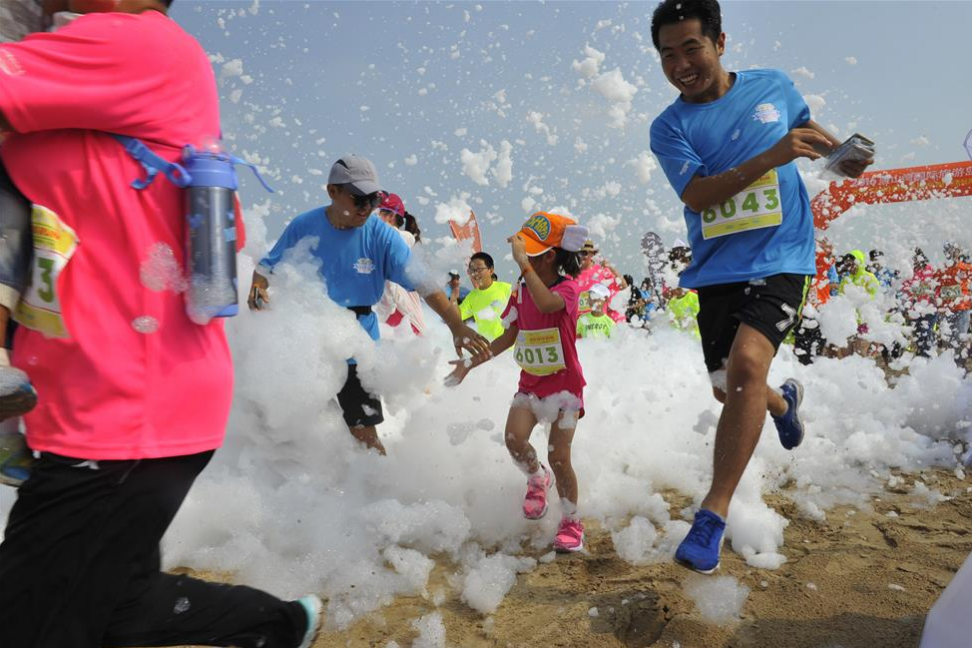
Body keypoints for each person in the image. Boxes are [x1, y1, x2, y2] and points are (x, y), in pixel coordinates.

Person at [0, 1, 325, 646]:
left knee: (27, 620)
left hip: (124, 414)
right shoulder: (80, 66)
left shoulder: (138, 46)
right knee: (120, 604)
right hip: (94, 404)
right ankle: (279, 625)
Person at [649, 0, 873, 573]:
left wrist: (846, 157)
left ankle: (712, 515)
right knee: (734, 389)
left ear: (719, 42)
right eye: (667, 55)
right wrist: (771, 156)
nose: (680, 64)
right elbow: (697, 196)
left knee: (747, 365)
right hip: (717, 268)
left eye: (690, 48)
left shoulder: (772, 86)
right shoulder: (670, 126)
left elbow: (815, 141)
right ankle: (783, 402)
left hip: (784, 256)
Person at [249, 155, 489, 456]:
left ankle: (375, 490)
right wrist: (258, 288)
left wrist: (456, 325)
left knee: (364, 435)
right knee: (293, 429)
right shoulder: (304, 226)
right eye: (358, 199)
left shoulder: (381, 236)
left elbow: (424, 282)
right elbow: (268, 266)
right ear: (332, 192)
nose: (366, 208)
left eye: (373, 199)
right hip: (307, 340)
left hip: (357, 342)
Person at [447, 211, 589, 552]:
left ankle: (571, 519)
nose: (522, 257)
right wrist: (470, 363)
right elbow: (509, 335)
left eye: (531, 251)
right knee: (513, 440)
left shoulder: (568, 288)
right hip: (531, 385)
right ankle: (538, 478)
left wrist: (523, 263)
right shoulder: (520, 291)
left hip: (566, 390)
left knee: (560, 456)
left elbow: (547, 302)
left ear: (550, 256)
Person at [374, 192, 426, 335]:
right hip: (387, 312)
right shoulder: (376, 239)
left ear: (391, 216)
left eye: (377, 212)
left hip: (402, 314)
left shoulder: (402, 237)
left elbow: (401, 238)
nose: (371, 217)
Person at [459, 251, 512, 341]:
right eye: (472, 270)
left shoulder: (506, 289)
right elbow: (457, 317)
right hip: (488, 349)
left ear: (491, 270)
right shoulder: (471, 297)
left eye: (479, 269)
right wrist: (453, 297)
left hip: (510, 349)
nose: (475, 273)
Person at [576, 239, 627, 322]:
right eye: (579, 253)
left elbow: (623, 286)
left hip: (599, 325)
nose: (581, 256)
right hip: (580, 325)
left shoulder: (602, 272)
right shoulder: (572, 275)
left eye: (584, 253)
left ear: (592, 254)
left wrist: (611, 268)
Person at [936, 242, 971, 361]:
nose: (952, 253)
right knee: (948, 340)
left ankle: (960, 365)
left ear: (959, 252)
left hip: (963, 309)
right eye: (949, 250)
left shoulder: (966, 268)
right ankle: (949, 366)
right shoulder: (941, 270)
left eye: (955, 250)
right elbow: (936, 289)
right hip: (946, 311)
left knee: (960, 338)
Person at [901, 248, 938, 358]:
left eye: (915, 257)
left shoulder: (930, 269)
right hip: (915, 311)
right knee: (918, 336)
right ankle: (923, 358)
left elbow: (936, 286)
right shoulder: (910, 272)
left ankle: (927, 358)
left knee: (925, 333)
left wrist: (934, 300)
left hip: (929, 309)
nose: (914, 260)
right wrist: (907, 308)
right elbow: (905, 291)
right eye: (912, 258)